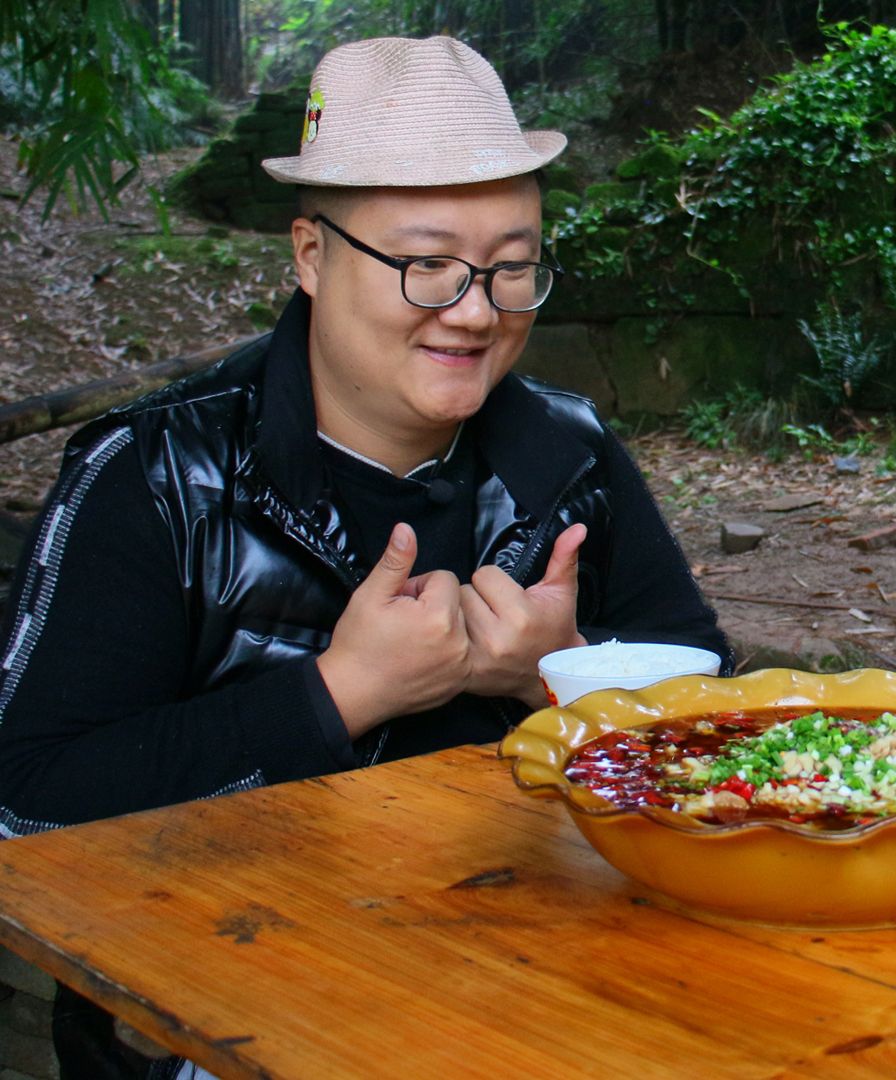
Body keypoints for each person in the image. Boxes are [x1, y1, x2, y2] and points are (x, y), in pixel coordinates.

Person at [0, 37, 729, 1076]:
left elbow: (723, 723)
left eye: (512, 268)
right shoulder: (155, 475)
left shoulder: (567, 455)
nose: (475, 311)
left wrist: (556, 676)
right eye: (426, 264)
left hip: (547, 984)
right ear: (310, 254)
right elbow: (26, 801)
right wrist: (337, 694)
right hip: (231, 1015)